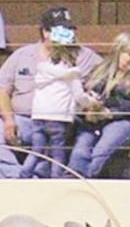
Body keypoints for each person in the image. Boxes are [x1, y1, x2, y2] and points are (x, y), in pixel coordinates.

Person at [0, 6, 103, 179]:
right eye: (61, 30)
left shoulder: (85, 56)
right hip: (23, 119)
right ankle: (19, 180)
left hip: (62, 122)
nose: (67, 35)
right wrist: (8, 120)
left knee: (52, 151)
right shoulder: (23, 54)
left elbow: (106, 79)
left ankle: (32, 180)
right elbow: (1, 89)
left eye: (69, 30)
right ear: (46, 32)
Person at [68, 31, 130, 178]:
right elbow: (88, 92)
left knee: (101, 151)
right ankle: (70, 180)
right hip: (95, 121)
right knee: (79, 152)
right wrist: (91, 104)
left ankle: (85, 181)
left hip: (123, 120)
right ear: (118, 51)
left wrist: (112, 111)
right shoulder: (100, 70)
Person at [19, 25, 97, 179]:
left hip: (38, 117)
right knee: (58, 154)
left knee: (36, 151)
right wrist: (92, 102)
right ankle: (55, 181)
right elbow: (79, 96)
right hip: (59, 119)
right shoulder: (71, 74)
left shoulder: (43, 69)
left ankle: (23, 175)